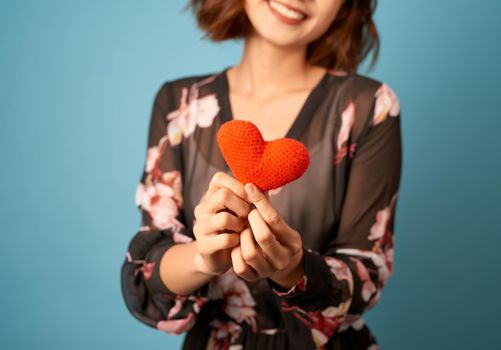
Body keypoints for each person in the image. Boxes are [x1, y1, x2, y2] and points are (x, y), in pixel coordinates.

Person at [120, 0, 402, 349]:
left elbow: (368, 274)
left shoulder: (370, 106)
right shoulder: (179, 103)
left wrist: (291, 268)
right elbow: (146, 274)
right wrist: (202, 258)